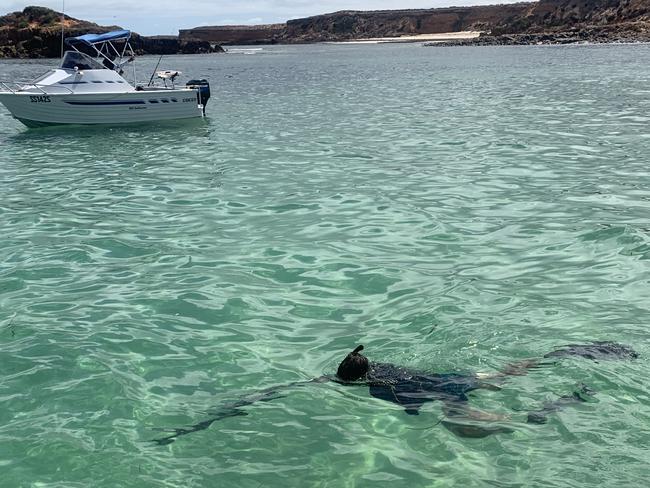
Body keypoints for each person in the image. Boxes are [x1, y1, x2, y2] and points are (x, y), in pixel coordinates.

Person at [152, 341, 638, 445]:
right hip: (450, 377)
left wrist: (207, 420)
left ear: (347, 376)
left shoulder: (366, 385)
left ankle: (548, 410)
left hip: (437, 394)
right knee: (506, 373)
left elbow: (277, 391)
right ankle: (564, 354)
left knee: (471, 427)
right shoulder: (376, 368)